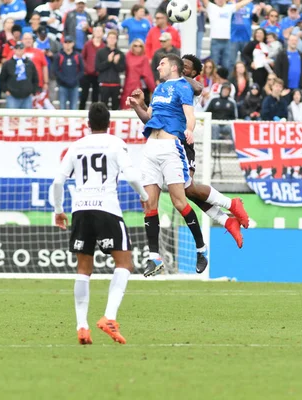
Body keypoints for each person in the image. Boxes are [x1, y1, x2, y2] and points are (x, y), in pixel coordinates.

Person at [52, 102, 150, 346]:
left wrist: (58, 210)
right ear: (109, 124)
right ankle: (110, 317)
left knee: (83, 269)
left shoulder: (76, 146)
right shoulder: (116, 143)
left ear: (88, 124)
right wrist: (145, 197)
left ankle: (81, 326)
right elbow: (132, 175)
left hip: (81, 210)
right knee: (125, 263)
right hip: (107, 208)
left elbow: (57, 181)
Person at [128, 54, 248, 249]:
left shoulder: (189, 85)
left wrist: (179, 74)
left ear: (192, 72)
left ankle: (230, 207)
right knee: (186, 192)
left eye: (186, 66)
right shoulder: (164, 88)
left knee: (187, 190)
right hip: (166, 141)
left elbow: (198, 88)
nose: (183, 67)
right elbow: (152, 118)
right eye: (181, 64)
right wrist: (139, 105)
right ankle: (227, 219)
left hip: (182, 141)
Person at [124, 54, 209, 277]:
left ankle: (201, 249)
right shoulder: (159, 89)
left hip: (171, 148)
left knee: (179, 201)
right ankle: (155, 258)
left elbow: (190, 115)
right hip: (151, 147)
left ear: (173, 67)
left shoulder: (183, 86)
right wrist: (137, 106)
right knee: (149, 204)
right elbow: (149, 116)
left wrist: (190, 129)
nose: (157, 66)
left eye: (161, 63)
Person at [0, 41, 39, 109]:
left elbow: (35, 78)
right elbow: (2, 78)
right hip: (12, 95)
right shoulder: (8, 64)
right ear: (14, 50)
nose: (19, 50)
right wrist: (6, 90)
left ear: (24, 50)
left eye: (21, 48)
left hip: (27, 96)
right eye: (17, 48)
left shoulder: (30, 63)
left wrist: (33, 91)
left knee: (27, 118)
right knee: (12, 118)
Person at [120, 39, 155, 110]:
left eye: (140, 46)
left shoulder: (144, 58)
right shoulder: (128, 56)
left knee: (137, 108)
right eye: (135, 46)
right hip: (127, 84)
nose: (137, 47)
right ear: (132, 47)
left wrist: (154, 89)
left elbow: (147, 75)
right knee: (125, 107)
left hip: (138, 86)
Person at [95, 30, 125, 110]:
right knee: (102, 107)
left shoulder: (120, 53)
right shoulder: (100, 52)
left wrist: (115, 63)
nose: (112, 39)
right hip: (104, 83)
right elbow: (98, 68)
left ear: (116, 40)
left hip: (115, 84)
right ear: (107, 39)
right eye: (110, 38)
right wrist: (108, 61)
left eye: (114, 38)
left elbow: (121, 69)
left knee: (115, 106)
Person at [54, 35, 84, 110]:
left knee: (74, 108)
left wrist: (75, 80)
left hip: (74, 85)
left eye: (69, 42)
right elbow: (56, 70)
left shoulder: (77, 55)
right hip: (63, 85)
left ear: (73, 44)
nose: (67, 44)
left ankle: (73, 122)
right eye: (66, 42)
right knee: (62, 108)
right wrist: (64, 80)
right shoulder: (59, 55)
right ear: (63, 44)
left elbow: (82, 70)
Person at [80, 26, 105, 109]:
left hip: (98, 74)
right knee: (84, 96)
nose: (98, 33)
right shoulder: (88, 44)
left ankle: (94, 114)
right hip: (87, 74)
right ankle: (81, 113)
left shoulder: (103, 46)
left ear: (103, 33)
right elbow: (82, 57)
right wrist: (86, 68)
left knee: (95, 97)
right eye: (96, 31)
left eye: (100, 31)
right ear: (93, 33)